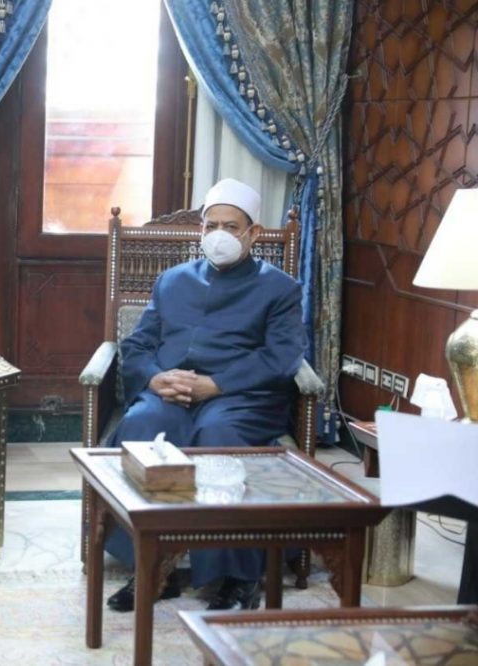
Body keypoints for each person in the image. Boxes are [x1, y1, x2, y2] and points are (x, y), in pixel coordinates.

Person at [104, 178, 306, 613]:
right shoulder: (173, 280)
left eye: (231, 227)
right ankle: (153, 565)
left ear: (253, 233)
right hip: (172, 392)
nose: (219, 235)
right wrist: (155, 379)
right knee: (142, 425)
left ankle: (237, 576)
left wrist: (217, 385)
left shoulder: (280, 288)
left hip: (241, 397)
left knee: (218, 434)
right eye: (211, 225)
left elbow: (282, 356)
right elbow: (139, 345)